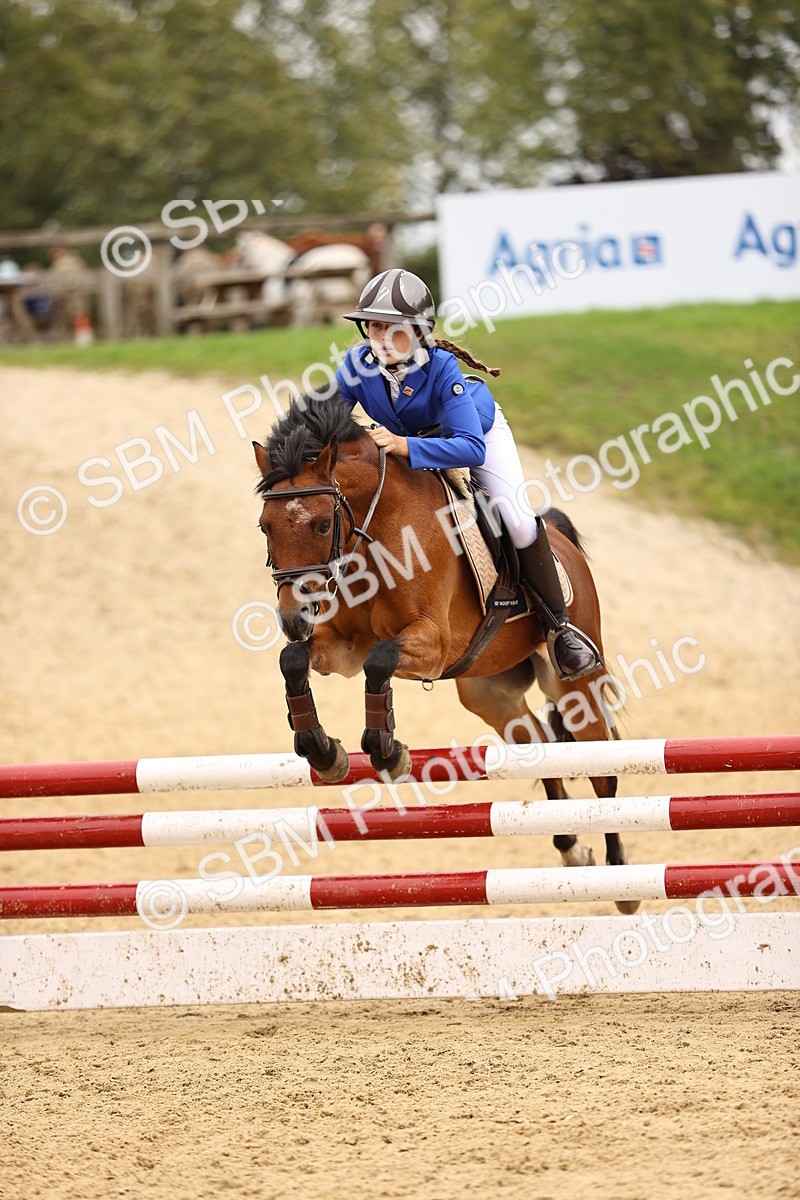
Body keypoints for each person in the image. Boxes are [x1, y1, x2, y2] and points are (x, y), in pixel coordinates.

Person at [334, 268, 601, 681]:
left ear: (419, 331)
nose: (381, 338)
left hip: (476, 435)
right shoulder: (357, 364)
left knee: (515, 517)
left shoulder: (441, 367)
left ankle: (560, 628)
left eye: (393, 328)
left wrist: (404, 445)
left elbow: (471, 447)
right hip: (412, 442)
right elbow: (324, 421)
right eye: (374, 326)